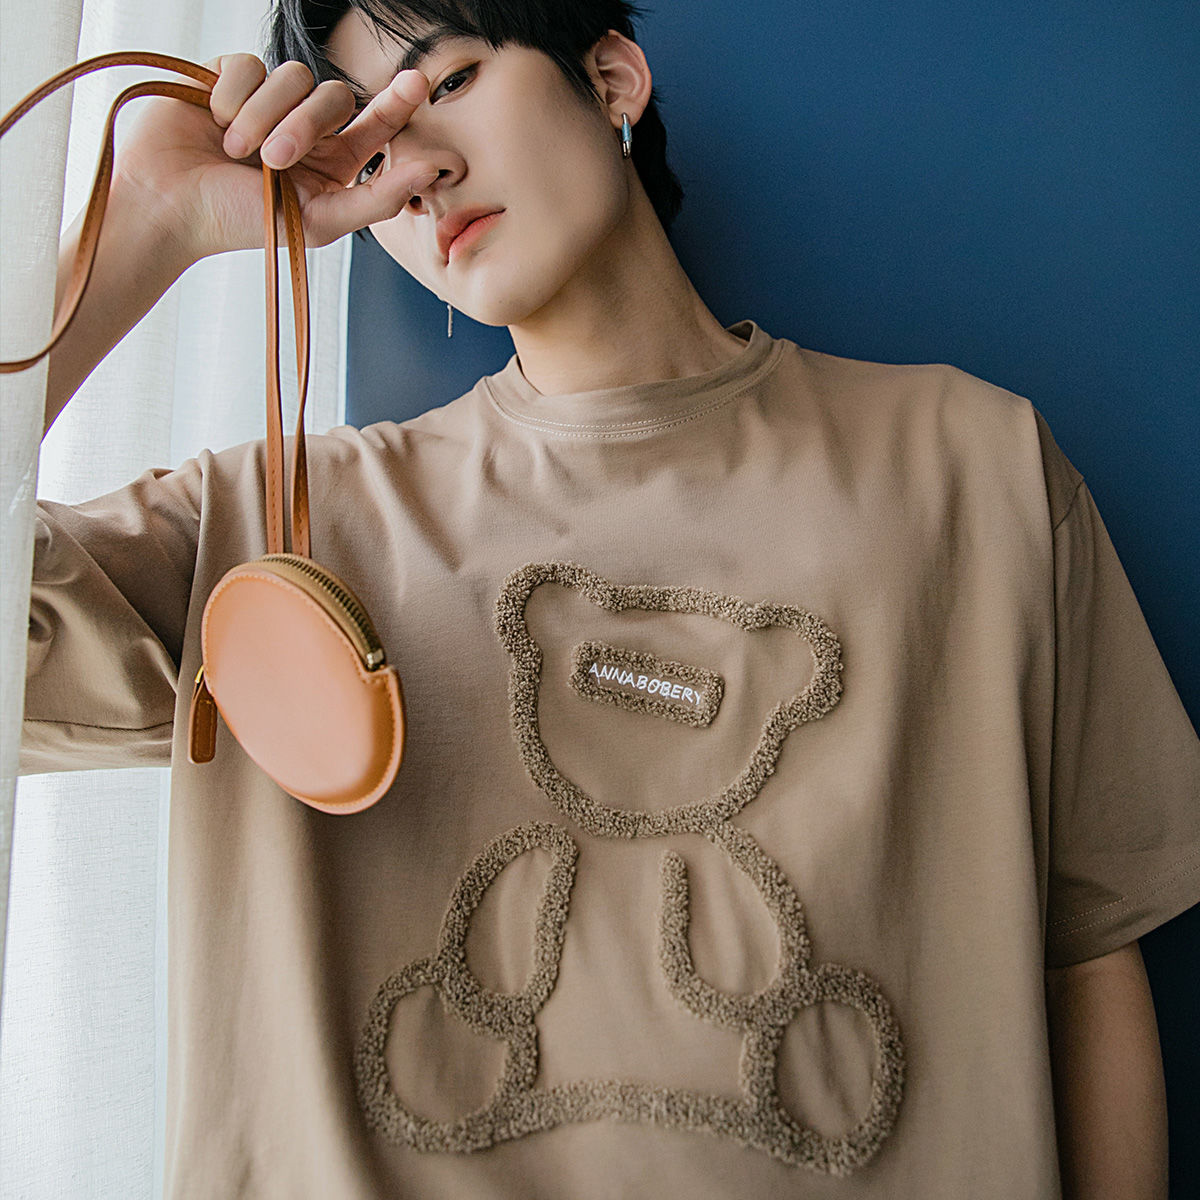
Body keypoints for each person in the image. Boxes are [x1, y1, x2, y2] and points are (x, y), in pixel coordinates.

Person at [19, 0, 1200, 1195]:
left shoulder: (971, 470)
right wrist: (143, 230)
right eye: (365, 151)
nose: (418, 169)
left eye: (447, 81)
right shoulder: (276, 535)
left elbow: (1089, 958)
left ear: (612, 79)